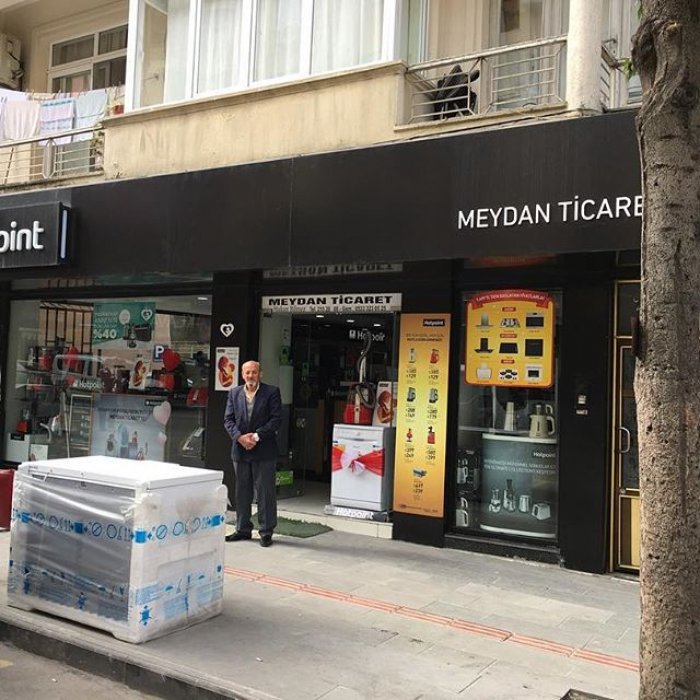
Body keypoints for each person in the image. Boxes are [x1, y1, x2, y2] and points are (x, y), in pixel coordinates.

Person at [223, 360, 282, 547]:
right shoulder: (234, 393)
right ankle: (242, 529)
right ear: (242, 375)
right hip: (240, 450)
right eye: (247, 372)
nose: (251, 376)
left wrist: (255, 437)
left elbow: (276, 420)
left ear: (260, 374)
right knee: (242, 492)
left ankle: (266, 532)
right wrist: (240, 438)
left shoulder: (271, 392)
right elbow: (228, 420)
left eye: (254, 372)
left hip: (264, 450)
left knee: (265, 492)